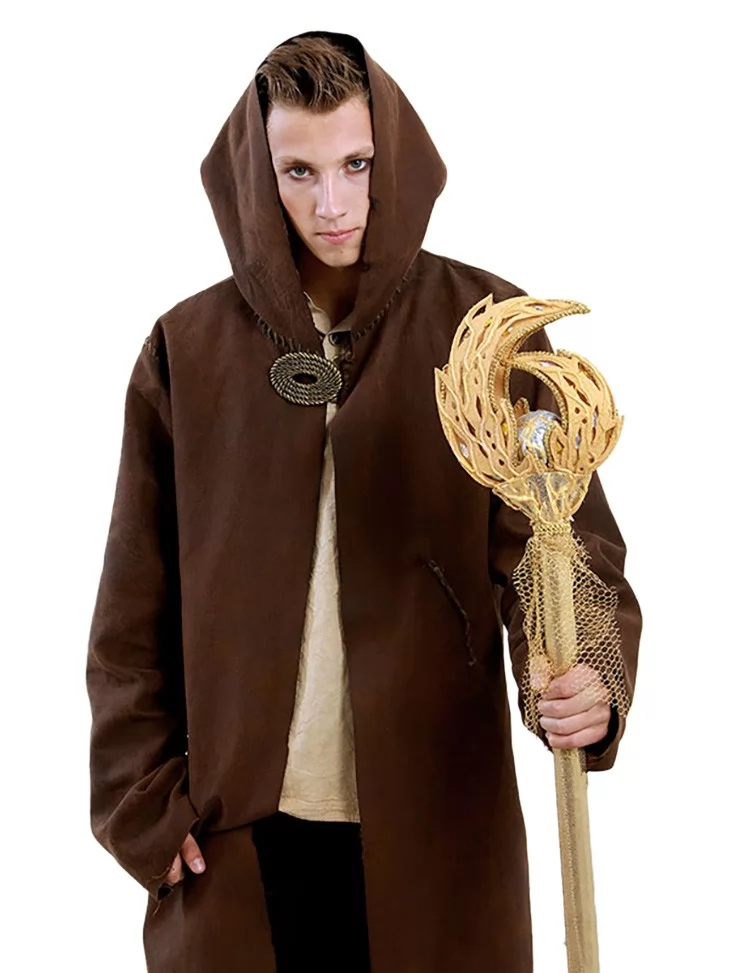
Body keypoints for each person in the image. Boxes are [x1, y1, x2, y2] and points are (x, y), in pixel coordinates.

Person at [86, 30, 641, 973]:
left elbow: (565, 546)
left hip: (436, 824)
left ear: (396, 157)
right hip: (236, 838)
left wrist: (590, 673)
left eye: (357, 164)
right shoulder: (188, 350)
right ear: (258, 177)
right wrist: (141, 801)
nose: (332, 204)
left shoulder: (486, 331)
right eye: (298, 172)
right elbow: (132, 611)